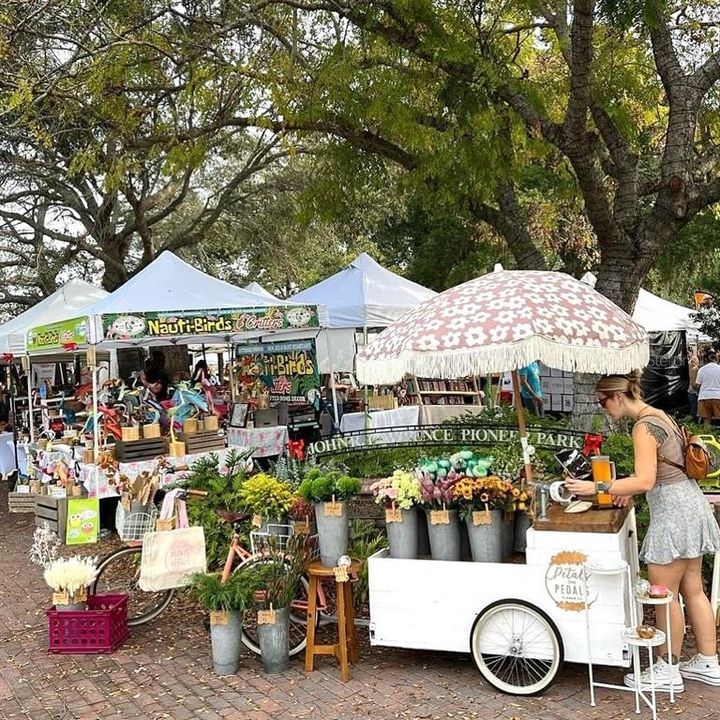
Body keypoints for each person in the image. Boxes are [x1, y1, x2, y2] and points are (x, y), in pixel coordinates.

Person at [564, 371, 720, 692]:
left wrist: (596, 486)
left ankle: (667, 669)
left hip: (672, 513)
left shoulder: (642, 427)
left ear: (618, 397)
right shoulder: (658, 415)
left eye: (603, 402)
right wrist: (629, 487)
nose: (603, 408)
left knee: (665, 597)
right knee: (693, 589)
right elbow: (657, 471)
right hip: (691, 503)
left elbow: (645, 480)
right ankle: (707, 661)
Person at [695, 350, 720, 426]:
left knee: (706, 419)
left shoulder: (701, 370)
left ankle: (706, 434)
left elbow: (697, 384)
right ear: (716, 359)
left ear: (706, 360)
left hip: (704, 397)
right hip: (718, 396)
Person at [687, 349, 699, 421]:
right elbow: (693, 383)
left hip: (691, 392)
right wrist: (699, 389)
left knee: (693, 411)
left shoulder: (690, 368)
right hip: (693, 393)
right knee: (694, 412)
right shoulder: (694, 369)